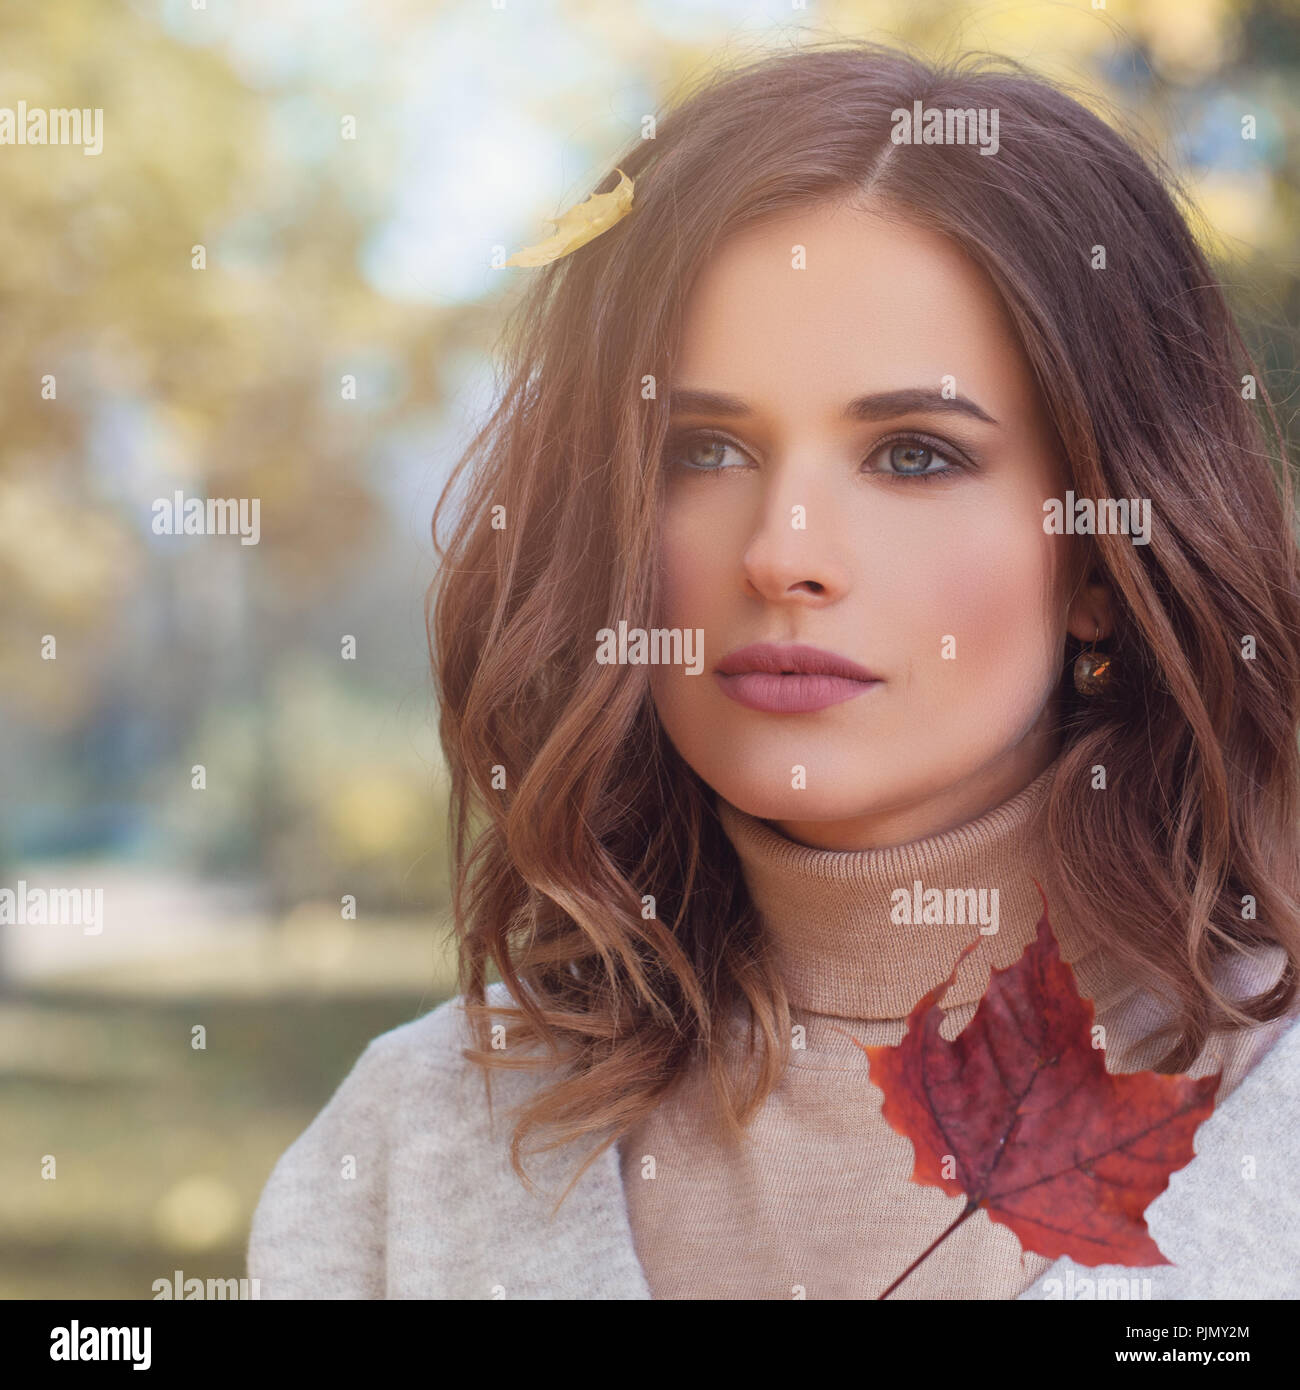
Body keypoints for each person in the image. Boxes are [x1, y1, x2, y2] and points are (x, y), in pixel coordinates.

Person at [247, 41, 1300, 1299]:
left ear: (1095, 557)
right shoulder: (414, 1151)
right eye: (702, 449)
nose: (782, 554)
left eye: (913, 454)